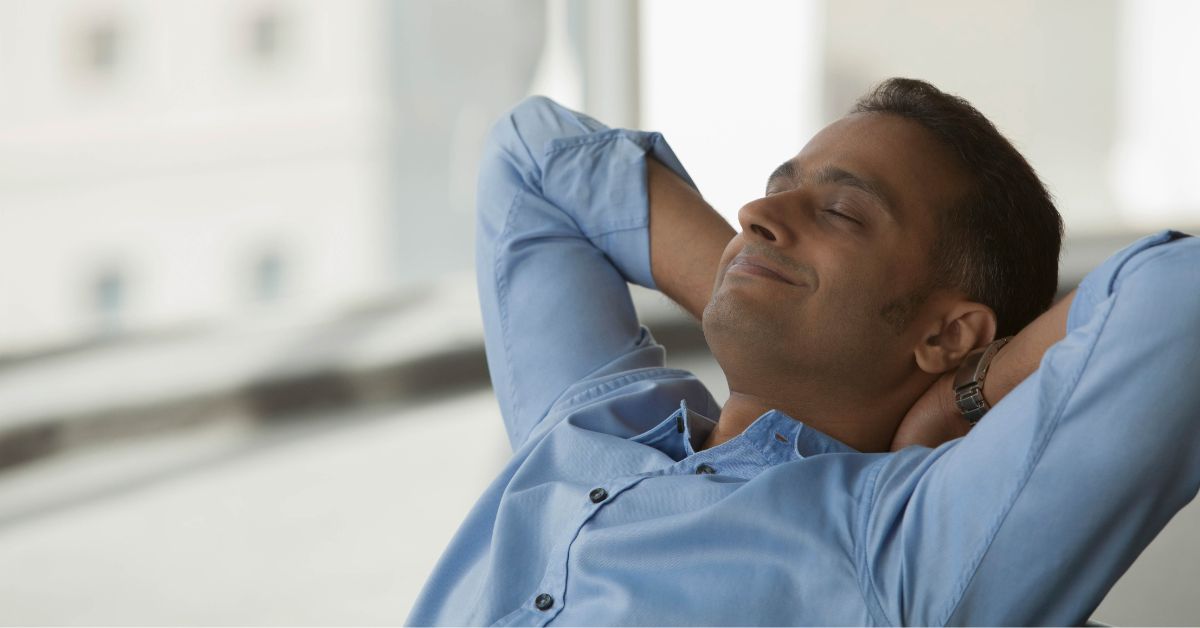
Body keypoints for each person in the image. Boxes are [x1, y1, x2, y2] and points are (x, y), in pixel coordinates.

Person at [406, 78, 1200, 626]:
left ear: (945, 334)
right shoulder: (595, 422)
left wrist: (967, 392)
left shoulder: (903, 546)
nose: (756, 209)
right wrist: (752, 269)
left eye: (842, 212)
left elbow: (1180, 298)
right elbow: (533, 157)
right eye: (776, 187)